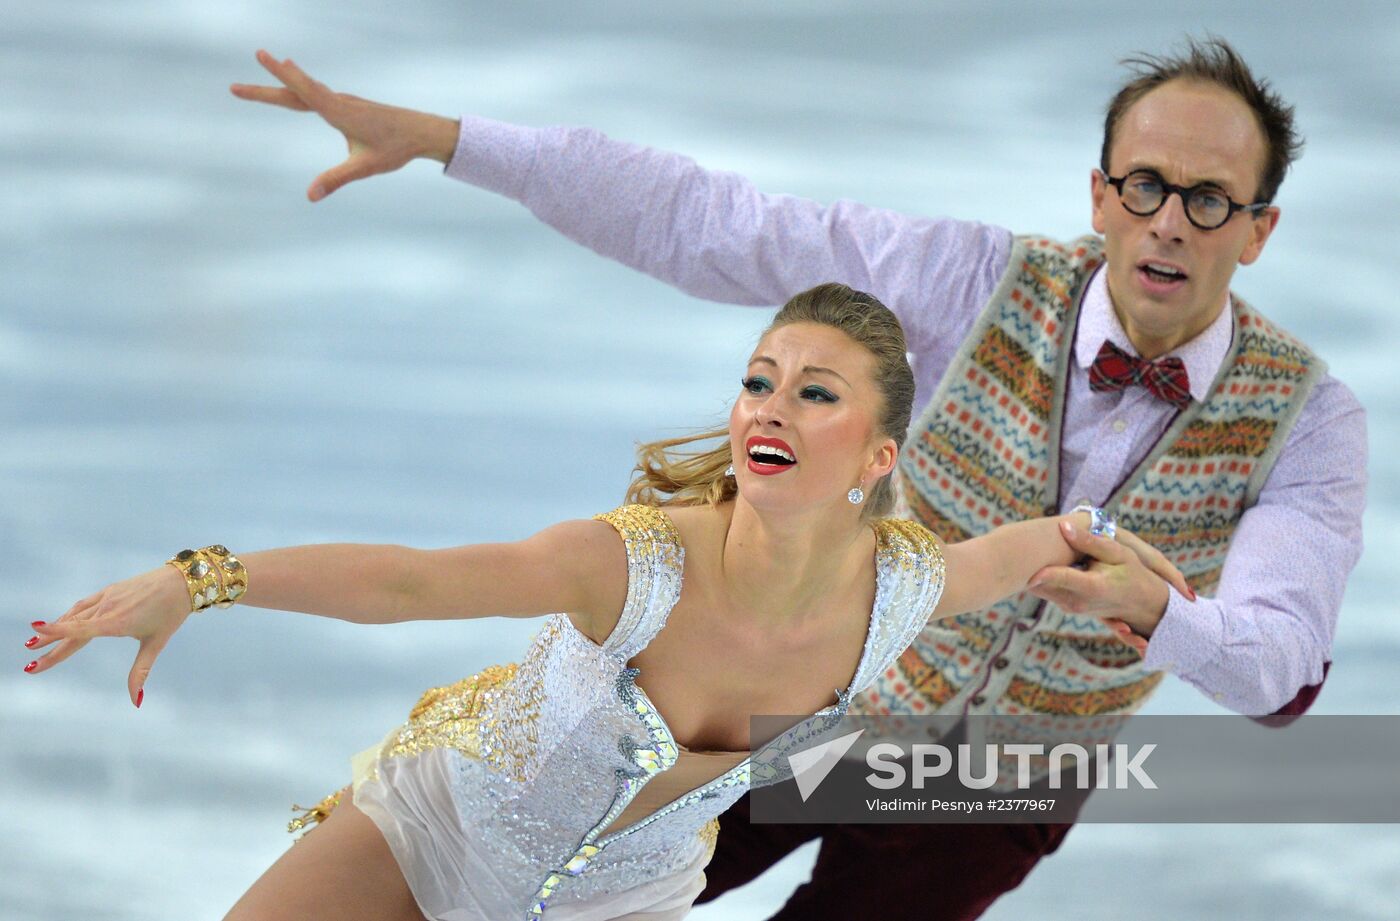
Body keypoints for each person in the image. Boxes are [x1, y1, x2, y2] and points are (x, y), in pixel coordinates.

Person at [225, 37, 1368, 918]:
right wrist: (445, 139)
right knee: (537, 888)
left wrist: (1154, 611)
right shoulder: (975, 278)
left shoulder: (1304, 421)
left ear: (1257, 229)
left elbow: (1277, 673)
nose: (1166, 222)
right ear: (1096, 192)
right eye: (1142, 186)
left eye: (1206, 200)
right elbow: (714, 224)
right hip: (814, 697)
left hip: (1000, 786)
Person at [22, 284, 1185, 920]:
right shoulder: (634, 564)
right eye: (757, 382)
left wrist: (1109, 550)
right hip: (437, 831)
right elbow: (407, 582)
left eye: (813, 393)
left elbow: (1026, 550)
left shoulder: (898, 589)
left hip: (618, 909)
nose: (767, 410)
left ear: (878, 458)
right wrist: (199, 579)